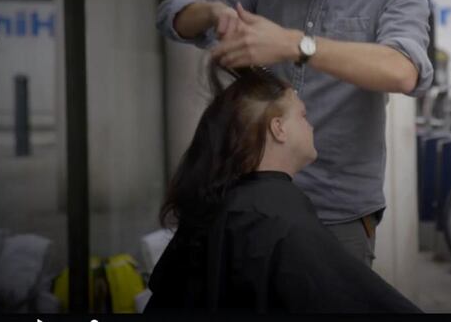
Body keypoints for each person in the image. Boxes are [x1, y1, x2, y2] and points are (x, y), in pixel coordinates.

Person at [155, 0, 433, 266]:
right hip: (254, 197)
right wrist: (213, 12)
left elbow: (404, 70)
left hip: (338, 213)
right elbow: (172, 14)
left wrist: (295, 45)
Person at [144, 66, 422, 313]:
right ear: (278, 129)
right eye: (302, 115)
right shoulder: (279, 218)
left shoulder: (220, 200)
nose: (310, 126)